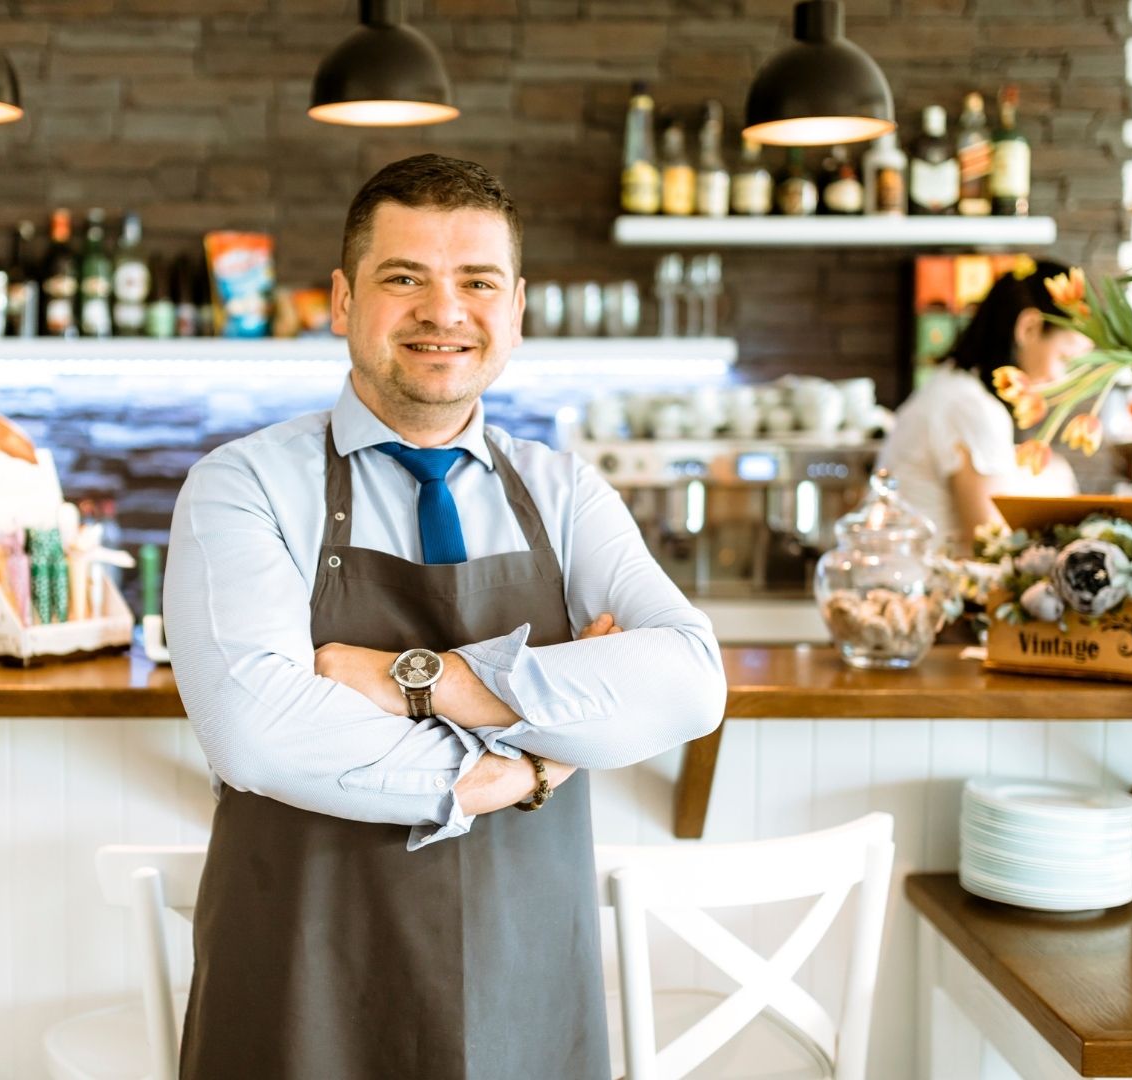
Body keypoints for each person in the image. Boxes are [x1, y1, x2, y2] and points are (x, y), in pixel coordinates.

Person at [163, 154, 727, 1080]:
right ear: (343, 301)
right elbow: (257, 732)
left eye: (477, 282)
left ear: (516, 308)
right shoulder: (244, 485)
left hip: (526, 971)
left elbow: (690, 682)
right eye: (404, 278)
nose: (444, 311)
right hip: (305, 975)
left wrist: (424, 684)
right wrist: (525, 765)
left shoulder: (565, 491)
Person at [882, 260, 1091, 553]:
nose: (1062, 378)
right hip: (921, 587)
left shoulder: (954, 385)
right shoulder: (971, 408)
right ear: (1029, 327)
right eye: (1065, 358)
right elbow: (990, 545)